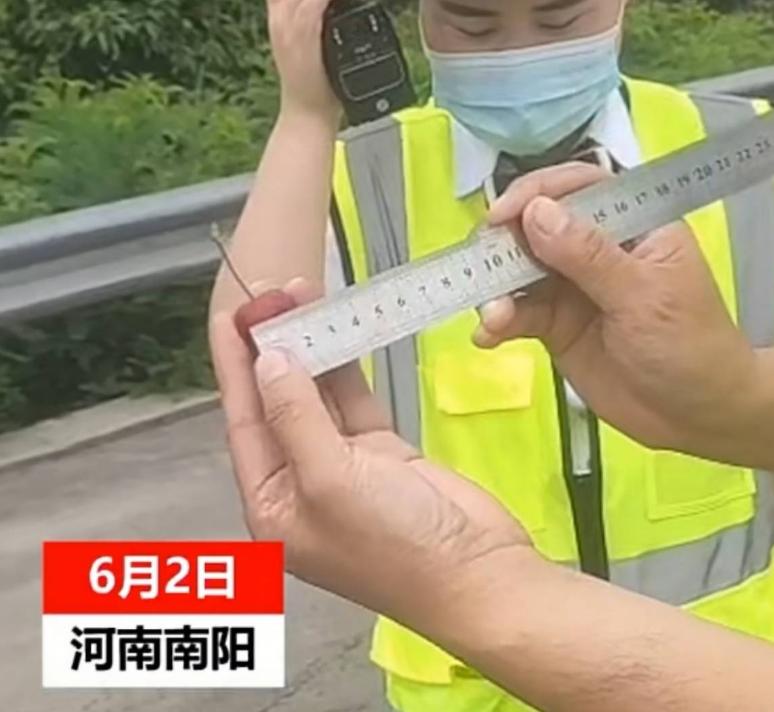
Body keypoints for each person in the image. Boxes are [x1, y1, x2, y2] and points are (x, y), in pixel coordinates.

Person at [210, 1, 774, 709]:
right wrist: (305, 114)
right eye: (472, 26)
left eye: (559, 21)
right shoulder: (357, 170)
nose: (517, 52)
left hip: (727, 663)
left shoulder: (740, 143)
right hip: (477, 686)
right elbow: (256, 347)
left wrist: (734, 398)